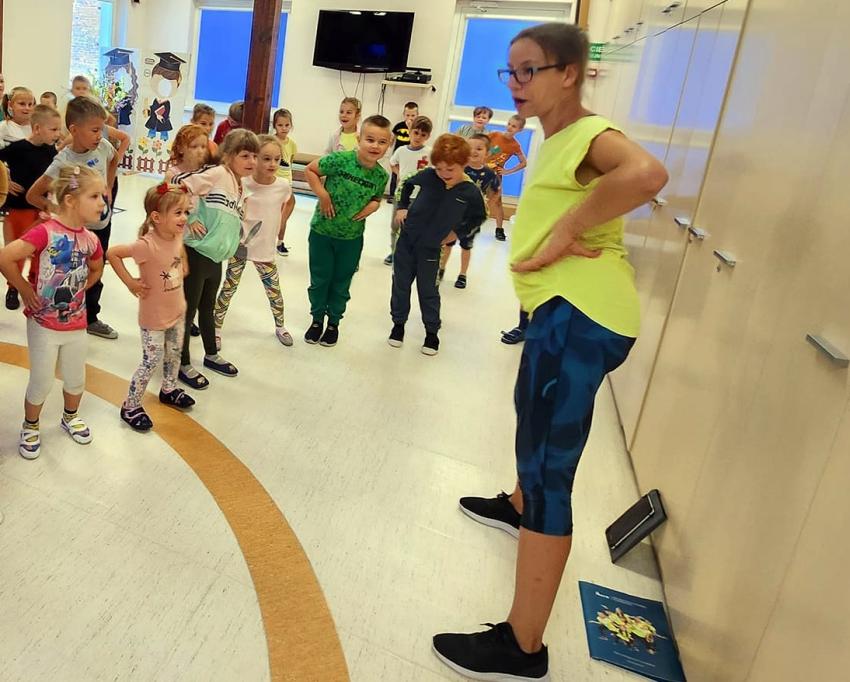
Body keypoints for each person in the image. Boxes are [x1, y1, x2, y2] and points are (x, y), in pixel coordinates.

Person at [431, 24, 668, 681]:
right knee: (530, 430)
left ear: (569, 73)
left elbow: (647, 174)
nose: (516, 83)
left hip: (580, 317)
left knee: (548, 473)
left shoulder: (590, 134)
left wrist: (567, 228)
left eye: (529, 70)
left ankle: (523, 646)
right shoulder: (556, 135)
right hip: (563, 313)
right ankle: (517, 506)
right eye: (509, 71)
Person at [0, 165, 107, 460]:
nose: (102, 203)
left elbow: (97, 267)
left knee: (75, 377)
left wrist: (79, 290)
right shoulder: (45, 231)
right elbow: (6, 257)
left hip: (77, 324)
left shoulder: (91, 239)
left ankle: (70, 416)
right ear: (70, 200)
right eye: (95, 196)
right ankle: (30, 424)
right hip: (44, 325)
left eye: (103, 196)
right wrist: (24, 288)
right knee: (42, 380)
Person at [27, 96, 123, 340]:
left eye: (101, 129)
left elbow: (113, 159)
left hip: (101, 226)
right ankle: (65, 314)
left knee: (96, 272)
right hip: (74, 234)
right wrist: (58, 212)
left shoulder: (103, 147)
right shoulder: (63, 161)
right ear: (74, 130)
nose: (100, 135)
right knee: (72, 275)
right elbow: (33, 195)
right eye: (94, 130)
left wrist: (108, 185)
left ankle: (91, 318)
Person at [173, 128, 259, 389]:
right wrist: (190, 216)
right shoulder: (218, 173)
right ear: (228, 155)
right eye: (245, 155)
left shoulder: (241, 185)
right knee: (188, 311)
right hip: (197, 252)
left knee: (207, 307)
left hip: (215, 257)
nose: (252, 162)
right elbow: (179, 184)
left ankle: (210, 354)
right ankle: (181, 362)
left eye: (255, 156)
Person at [107, 182, 195, 431]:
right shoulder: (145, 245)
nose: (184, 218)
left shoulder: (176, 234)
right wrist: (130, 283)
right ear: (157, 217)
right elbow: (112, 254)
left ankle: (169, 389)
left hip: (177, 310)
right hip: (154, 317)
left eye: (186, 212)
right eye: (178, 213)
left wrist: (184, 263)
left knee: (175, 353)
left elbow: (179, 249)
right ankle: (131, 405)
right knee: (151, 361)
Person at [388, 134, 486, 356]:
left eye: (450, 169)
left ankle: (431, 332)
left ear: (464, 164)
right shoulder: (429, 176)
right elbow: (406, 183)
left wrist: (457, 233)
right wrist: (402, 206)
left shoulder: (470, 191)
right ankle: (398, 325)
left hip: (432, 249)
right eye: (439, 168)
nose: (444, 173)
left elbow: (479, 216)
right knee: (400, 285)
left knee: (428, 290)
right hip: (407, 242)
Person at [305, 114, 391, 347]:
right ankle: (316, 320)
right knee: (320, 279)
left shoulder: (381, 175)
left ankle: (333, 323)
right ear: (359, 139)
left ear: (389, 144)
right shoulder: (340, 160)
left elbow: (376, 197)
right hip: (322, 232)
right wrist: (322, 195)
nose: (375, 146)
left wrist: (374, 206)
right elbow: (311, 170)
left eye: (382, 142)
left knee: (342, 282)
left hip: (351, 238)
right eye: (370, 139)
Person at [214, 135, 293, 348]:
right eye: (266, 159)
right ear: (255, 159)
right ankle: (216, 328)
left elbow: (289, 202)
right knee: (228, 288)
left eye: (277, 159)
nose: (273, 164)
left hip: (265, 248)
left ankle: (280, 326)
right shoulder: (242, 183)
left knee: (274, 291)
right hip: (240, 246)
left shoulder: (283, 186)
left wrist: (281, 222)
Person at [0, 104, 62, 310]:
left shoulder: (51, 151)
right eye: (53, 129)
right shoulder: (18, 148)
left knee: (41, 251)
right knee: (16, 251)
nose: (58, 134)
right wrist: (6, 180)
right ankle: (13, 287)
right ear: (37, 128)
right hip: (18, 210)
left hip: (41, 210)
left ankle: (35, 285)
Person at [439, 132, 500, 288]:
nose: (474, 151)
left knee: (466, 246)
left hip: (471, 218)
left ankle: (462, 274)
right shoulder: (460, 168)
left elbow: (495, 192)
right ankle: (441, 269)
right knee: (447, 243)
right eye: (470, 148)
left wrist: (486, 207)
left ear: (487, 153)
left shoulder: (489, 174)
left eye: (479, 148)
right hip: (453, 214)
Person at [384, 115, 433, 266]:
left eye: (423, 135)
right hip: (401, 195)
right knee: (396, 225)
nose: (418, 137)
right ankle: (394, 252)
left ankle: (412, 254)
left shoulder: (429, 152)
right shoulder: (401, 150)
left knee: (415, 227)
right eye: (416, 132)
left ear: (428, 136)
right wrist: (399, 174)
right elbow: (393, 163)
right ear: (410, 131)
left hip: (420, 197)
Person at [487, 114, 528, 241]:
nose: (510, 127)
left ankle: (499, 229)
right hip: (481, 169)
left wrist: (507, 171)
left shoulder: (515, 145)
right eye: (509, 124)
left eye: (514, 126)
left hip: (495, 174)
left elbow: (523, 162)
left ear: (519, 130)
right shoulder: (494, 135)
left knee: (498, 201)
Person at [271, 108, 297, 256]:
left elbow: (290, 163)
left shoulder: (292, 144)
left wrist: (289, 181)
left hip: (287, 181)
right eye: (280, 125)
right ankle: (268, 239)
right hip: (274, 181)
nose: (284, 128)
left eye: (287, 125)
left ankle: (280, 242)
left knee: (284, 213)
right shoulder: (271, 141)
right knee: (273, 211)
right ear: (275, 125)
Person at [389, 101, 418, 200]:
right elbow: (392, 138)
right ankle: (392, 195)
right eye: (407, 115)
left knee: (407, 175)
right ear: (404, 115)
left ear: (417, 115)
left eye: (413, 115)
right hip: (398, 155)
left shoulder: (416, 129)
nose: (410, 118)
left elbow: (415, 140)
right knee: (395, 175)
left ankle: (405, 196)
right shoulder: (399, 126)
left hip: (409, 156)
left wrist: (410, 127)